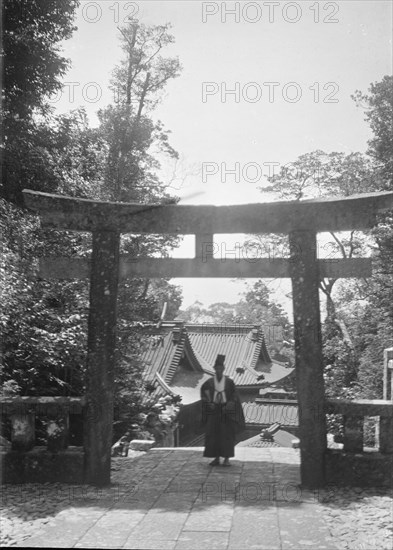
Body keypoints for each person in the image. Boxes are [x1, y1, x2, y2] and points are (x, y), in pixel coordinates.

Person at [201, 354, 245, 466]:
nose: (219, 370)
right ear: (214, 369)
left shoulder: (229, 382)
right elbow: (204, 394)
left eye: (221, 368)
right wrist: (208, 403)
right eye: (217, 368)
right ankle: (216, 458)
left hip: (226, 411)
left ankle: (226, 458)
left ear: (223, 369)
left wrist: (230, 404)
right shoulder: (209, 382)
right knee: (213, 434)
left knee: (226, 435)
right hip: (214, 409)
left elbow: (235, 395)